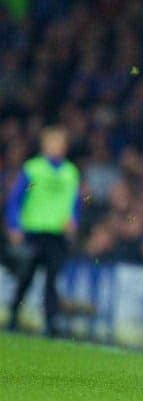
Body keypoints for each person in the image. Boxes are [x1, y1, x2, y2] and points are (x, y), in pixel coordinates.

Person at [5, 125, 80, 337]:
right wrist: (14, 225)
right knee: (26, 277)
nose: (57, 147)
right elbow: (16, 199)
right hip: (34, 231)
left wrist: (73, 220)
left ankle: (51, 323)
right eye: (52, 143)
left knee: (52, 279)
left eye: (60, 143)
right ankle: (13, 315)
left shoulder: (70, 173)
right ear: (44, 145)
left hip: (56, 234)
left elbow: (75, 202)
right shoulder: (33, 169)